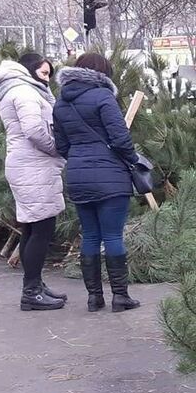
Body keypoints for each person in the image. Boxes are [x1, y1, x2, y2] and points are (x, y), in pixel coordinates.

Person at [53, 53, 140, 313]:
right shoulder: (103, 96)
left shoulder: (60, 103)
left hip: (78, 175)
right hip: (110, 175)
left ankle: (94, 298)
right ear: (103, 72)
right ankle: (120, 297)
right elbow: (121, 138)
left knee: (90, 235)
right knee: (112, 235)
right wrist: (133, 160)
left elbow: (61, 146)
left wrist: (81, 158)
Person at [0, 54, 68, 311]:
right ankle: (31, 291)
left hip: (29, 165)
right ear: (30, 70)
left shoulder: (19, 88)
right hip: (33, 166)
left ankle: (34, 285)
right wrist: (58, 149)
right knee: (41, 228)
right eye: (44, 74)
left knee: (32, 228)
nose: (47, 79)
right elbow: (34, 130)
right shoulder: (24, 91)